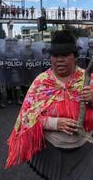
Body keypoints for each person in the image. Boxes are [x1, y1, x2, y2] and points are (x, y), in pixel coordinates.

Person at [6, 30, 93, 180]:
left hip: (86, 149)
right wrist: (54, 123)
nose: (59, 60)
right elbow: (25, 119)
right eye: (55, 55)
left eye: (65, 55)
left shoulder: (88, 80)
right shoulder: (41, 82)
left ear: (75, 57)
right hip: (52, 150)